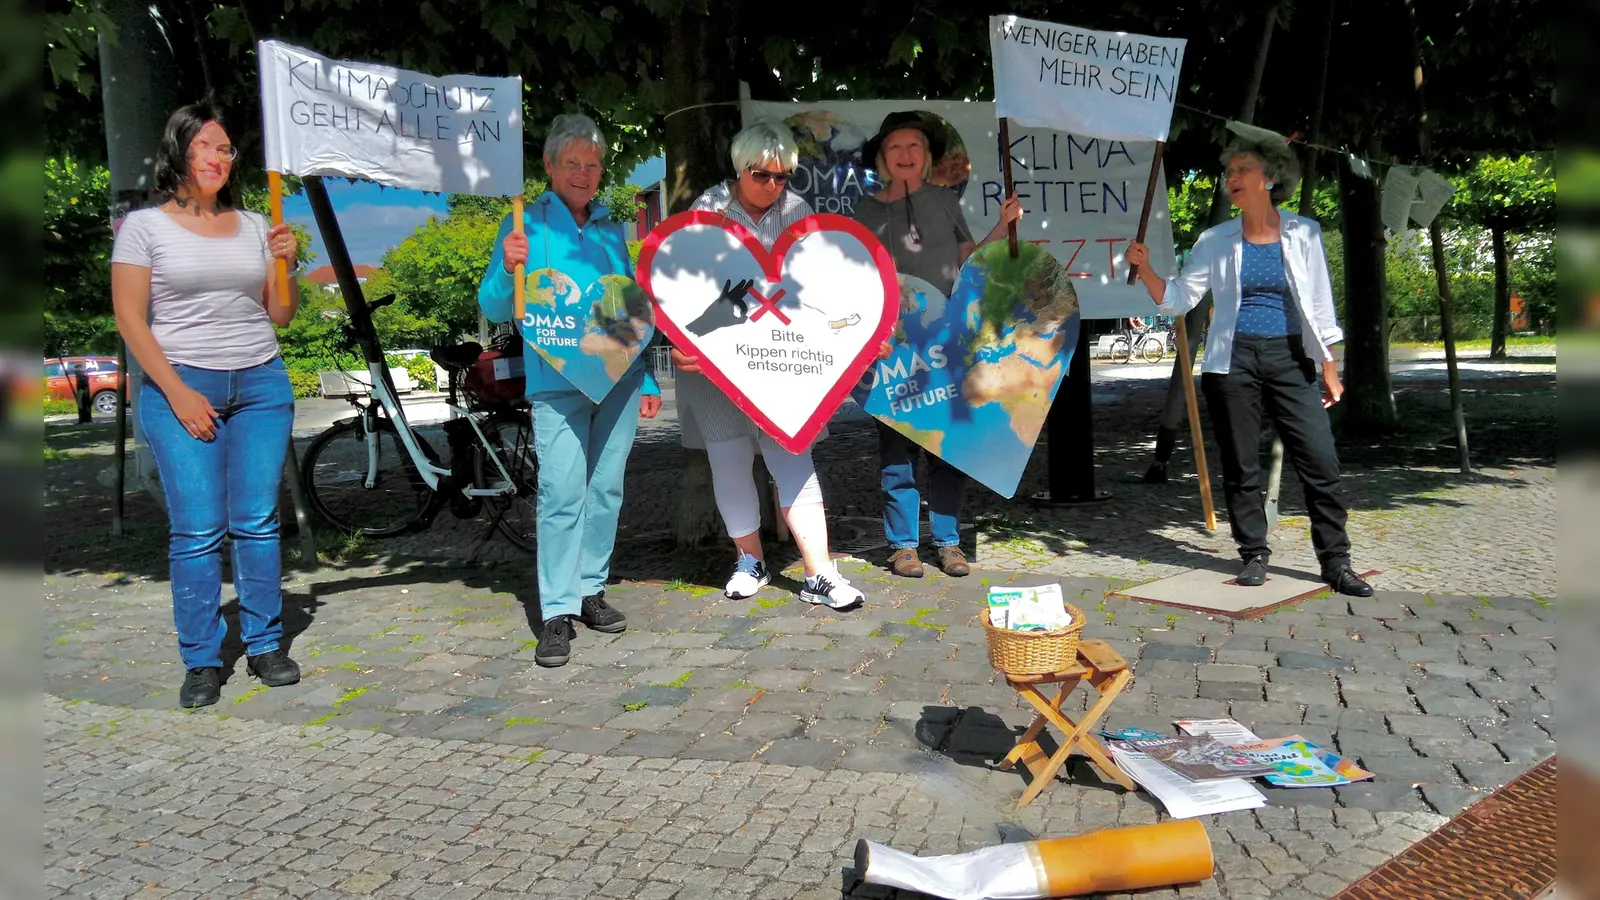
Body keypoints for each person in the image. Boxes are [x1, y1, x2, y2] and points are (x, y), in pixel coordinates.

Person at [110, 102, 304, 708]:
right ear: (180, 153)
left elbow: (280, 314)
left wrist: (287, 265)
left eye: (226, 149)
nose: (220, 158)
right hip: (181, 384)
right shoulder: (144, 227)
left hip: (261, 384)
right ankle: (201, 659)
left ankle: (265, 643)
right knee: (197, 530)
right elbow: (129, 319)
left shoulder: (253, 226)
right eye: (207, 147)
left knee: (257, 522)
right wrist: (176, 390)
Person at [1125, 137, 1374, 597]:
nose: (1232, 179)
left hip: (1290, 356)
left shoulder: (1305, 233)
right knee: (1241, 466)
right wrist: (1147, 271)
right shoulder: (1215, 240)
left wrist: (1330, 366)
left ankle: (1336, 562)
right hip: (1233, 360)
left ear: (1270, 178)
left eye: (1243, 169)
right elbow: (1180, 298)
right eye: (1229, 172)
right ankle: (1254, 554)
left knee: (1321, 461)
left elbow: (1319, 306)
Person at [479, 113, 662, 668]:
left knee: (606, 489)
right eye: (573, 163)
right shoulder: (524, 224)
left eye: (593, 164)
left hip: (618, 378)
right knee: (562, 493)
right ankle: (555, 610)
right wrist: (503, 270)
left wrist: (647, 373)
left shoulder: (610, 227)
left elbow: (627, 307)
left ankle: (589, 590)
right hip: (556, 382)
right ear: (550, 166)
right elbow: (493, 307)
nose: (584, 173)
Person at [669, 121, 865, 610]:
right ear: (740, 168)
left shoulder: (797, 211)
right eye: (764, 176)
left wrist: (849, 335)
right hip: (721, 366)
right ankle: (750, 561)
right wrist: (680, 341)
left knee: (794, 459)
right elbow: (678, 285)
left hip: (781, 367)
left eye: (783, 177)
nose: (774, 186)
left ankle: (820, 573)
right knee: (730, 462)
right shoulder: (707, 211)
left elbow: (817, 286)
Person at [851, 111, 1023, 578]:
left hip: (947, 342)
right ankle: (903, 544)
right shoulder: (865, 211)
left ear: (926, 158)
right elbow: (857, 278)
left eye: (914, 147)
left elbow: (970, 262)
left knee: (949, 449)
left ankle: (948, 541)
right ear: (884, 159)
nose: (905, 154)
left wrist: (1002, 226)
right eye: (895, 148)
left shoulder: (946, 201)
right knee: (898, 449)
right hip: (893, 347)